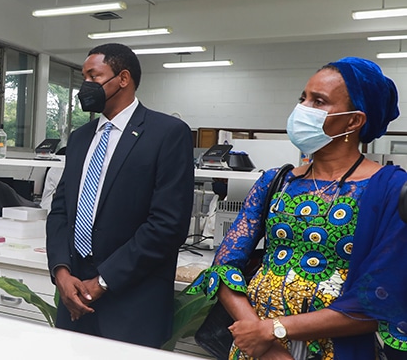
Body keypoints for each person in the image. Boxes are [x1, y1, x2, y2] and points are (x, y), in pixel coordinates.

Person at [188, 57, 407, 359]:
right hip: (255, 346)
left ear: (354, 120)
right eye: (302, 98)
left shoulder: (391, 190)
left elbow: (380, 298)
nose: (302, 109)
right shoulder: (276, 181)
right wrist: (261, 337)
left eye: (318, 101)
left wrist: (273, 330)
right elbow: (225, 264)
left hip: (334, 349)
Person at [45, 43, 195, 347]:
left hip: (133, 303)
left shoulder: (167, 133)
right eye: (83, 76)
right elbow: (61, 210)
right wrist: (61, 271)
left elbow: (168, 225)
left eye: (93, 75)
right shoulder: (80, 138)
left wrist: (103, 281)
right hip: (73, 299)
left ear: (123, 78)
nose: (85, 85)